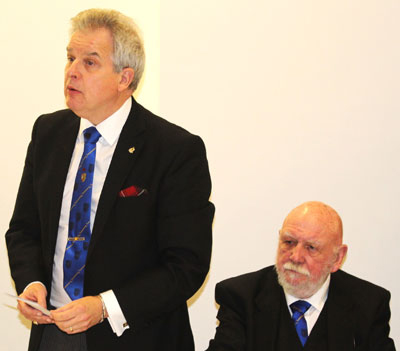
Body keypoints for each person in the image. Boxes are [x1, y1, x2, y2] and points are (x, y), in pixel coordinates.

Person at [5, 8, 214, 351]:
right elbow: (24, 230)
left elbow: (186, 265)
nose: (72, 71)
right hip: (53, 332)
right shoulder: (48, 132)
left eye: (89, 63)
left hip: (134, 336)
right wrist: (31, 281)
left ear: (124, 78)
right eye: (70, 58)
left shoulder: (174, 151)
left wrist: (104, 307)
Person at [206, 201, 395, 350]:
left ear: (338, 257)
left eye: (311, 247)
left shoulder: (368, 304)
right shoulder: (240, 297)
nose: (295, 257)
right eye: (288, 242)